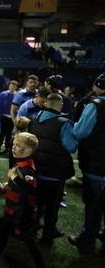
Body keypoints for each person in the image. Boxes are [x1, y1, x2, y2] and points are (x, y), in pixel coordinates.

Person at [0, 132, 45, 268]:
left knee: (28, 240)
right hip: (12, 210)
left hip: (22, 213)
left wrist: (14, 178)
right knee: (2, 235)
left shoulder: (28, 169)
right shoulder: (19, 163)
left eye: (18, 146)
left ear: (29, 150)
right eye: (13, 144)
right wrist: (9, 186)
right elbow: (20, 186)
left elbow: (31, 189)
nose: (13, 147)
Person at [28, 93, 77, 247]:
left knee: (37, 203)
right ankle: (48, 234)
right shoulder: (64, 123)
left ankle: (32, 230)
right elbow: (71, 147)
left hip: (36, 171)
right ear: (60, 105)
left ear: (46, 103)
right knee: (52, 207)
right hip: (55, 174)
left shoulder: (34, 121)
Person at [68, 72, 105, 251]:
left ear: (99, 86)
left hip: (96, 164)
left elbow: (80, 132)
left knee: (93, 204)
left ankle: (88, 238)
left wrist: (72, 127)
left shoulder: (95, 105)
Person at [0, 80, 18, 153]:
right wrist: (1, 113)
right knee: (2, 132)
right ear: (9, 86)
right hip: (4, 116)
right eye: (11, 86)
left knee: (9, 133)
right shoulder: (3, 94)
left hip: (12, 117)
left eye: (14, 86)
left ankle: (7, 147)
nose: (12, 87)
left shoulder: (17, 95)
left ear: (16, 88)